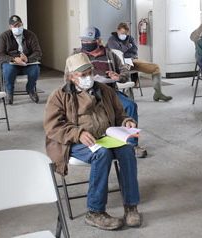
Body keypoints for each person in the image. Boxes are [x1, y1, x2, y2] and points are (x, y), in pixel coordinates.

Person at [44, 53, 142, 231]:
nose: (88, 78)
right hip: (73, 143)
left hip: (105, 137)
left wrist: (126, 122)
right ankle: (95, 212)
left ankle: (131, 206)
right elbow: (52, 127)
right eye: (83, 75)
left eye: (90, 72)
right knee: (101, 154)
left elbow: (120, 113)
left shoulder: (104, 90)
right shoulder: (59, 96)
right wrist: (77, 133)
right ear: (71, 76)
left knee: (128, 150)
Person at [78, 26, 147, 158]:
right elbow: (68, 76)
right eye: (83, 40)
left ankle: (132, 144)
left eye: (89, 40)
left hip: (109, 92)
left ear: (98, 41)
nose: (85, 43)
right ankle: (92, 141)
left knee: (130, 105)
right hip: (85, 93)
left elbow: (125, 72)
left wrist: (118, 77)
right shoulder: (77, 56)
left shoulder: (110, 54)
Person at [106, 22, 171, 102]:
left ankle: (158, 93)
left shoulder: (130, 38)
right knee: (125, 72)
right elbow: (118, 51)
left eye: (126, 33)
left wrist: (127, 51)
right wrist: (128, 46)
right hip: (119, 64)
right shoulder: (112, 39)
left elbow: (135, 50)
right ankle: (128, 100)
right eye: (122, 33)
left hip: (132, 60)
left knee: (155, 67)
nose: (124, 35)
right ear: (118, 31)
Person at [0, 15, 43, 104]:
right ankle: (9, 92)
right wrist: (13, 59)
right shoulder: (4, 36)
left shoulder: (31, 35)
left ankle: (30, 89)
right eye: (15, 26)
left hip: (27, 63)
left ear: (22, 24)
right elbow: (0, 54)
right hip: (11, 63)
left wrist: (28, 59)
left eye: (19, 25)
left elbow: (38, 52)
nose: (18, 27)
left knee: (35, 69)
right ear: (10, 27)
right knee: (8, 70)